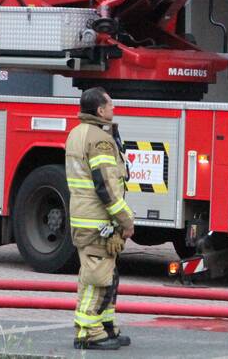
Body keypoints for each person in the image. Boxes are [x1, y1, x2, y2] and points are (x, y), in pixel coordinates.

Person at [66, 87, 134, 350]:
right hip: (98, 220)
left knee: (107, 274)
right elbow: (106, 185)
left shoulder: (77, 134)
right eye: (110, 105)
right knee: (97, 276)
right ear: (100, 110)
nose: (113, 109)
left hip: (85, 217)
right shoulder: (99, 140)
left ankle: (105, 326)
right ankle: (88, 332)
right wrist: (125, 219)